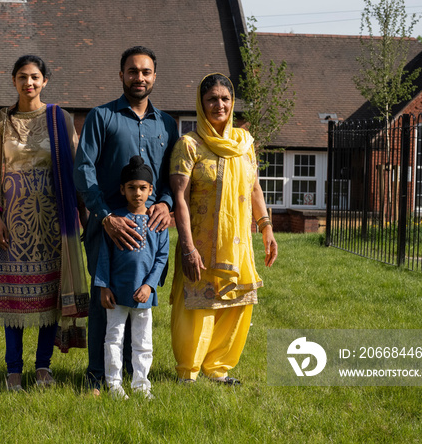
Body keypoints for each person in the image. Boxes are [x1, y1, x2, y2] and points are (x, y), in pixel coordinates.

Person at [74, 46, 178, 393]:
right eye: (133, 71)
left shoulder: (167, 124)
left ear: (154, 76)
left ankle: (136, 378)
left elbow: (170, 175)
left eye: (146, 72)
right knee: (105, 299)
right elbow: (83, 168)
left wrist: (165, 204)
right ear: (121, 75)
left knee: (140, 296)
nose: (140, 78)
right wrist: (104, 217)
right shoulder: (101, 117)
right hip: (108, 226)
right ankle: (96, 377)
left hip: (151, 228)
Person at [0, 55, 88, 392]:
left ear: (45, 81)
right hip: (12, 223)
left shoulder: (60, 119)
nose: (29, 83)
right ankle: (13, 369)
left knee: (49, 294)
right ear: (12, 81)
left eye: (35, 77)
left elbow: (75, 170)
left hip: (53, 221)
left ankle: (43, 366)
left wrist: (83, 218)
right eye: (22, 77)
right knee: (11, 294)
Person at [169, 72, 277, 385]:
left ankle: (218, 368)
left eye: (225, 99)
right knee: (199, 307)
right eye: (212, 99)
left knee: (237, 306)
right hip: (200, 244)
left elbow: (254, 187)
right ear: (201, 105)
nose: (220, 104)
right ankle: (187, 372)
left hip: (238, 244)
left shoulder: (245, 143)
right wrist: (187, 246)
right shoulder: (189, 145)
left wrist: (266, 227)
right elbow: (180, 197)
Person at [95, 156, 169, 400]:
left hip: (143, 294)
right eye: (131, 187)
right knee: (113, 339)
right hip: (116, 292)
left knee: (143, 341)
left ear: (150, 189)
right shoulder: (115, 220)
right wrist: (104, 287)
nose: (137, 193)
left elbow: (161, 257)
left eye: (142, 188)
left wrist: (149, 286)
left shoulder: (158, 223)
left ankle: (141, 385)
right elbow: (104, 257)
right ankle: (114, 384)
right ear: (122, 189)